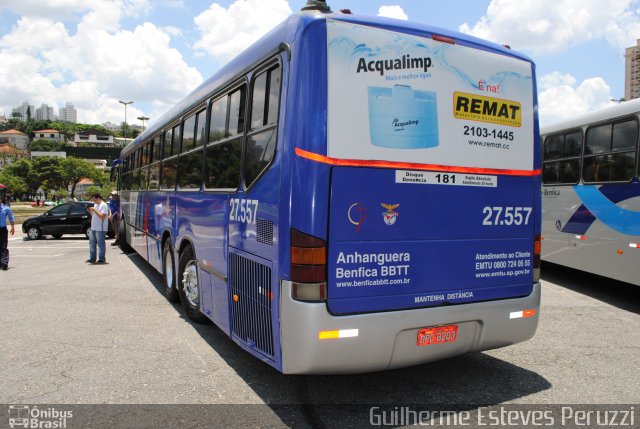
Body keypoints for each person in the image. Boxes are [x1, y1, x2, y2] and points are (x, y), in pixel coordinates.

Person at [86, 193, 109, 264]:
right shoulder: (96, 205)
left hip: (100, 228)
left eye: (94, 199)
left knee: (100, 244)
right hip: (94, 227)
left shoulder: (104, 205)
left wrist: (94, 210)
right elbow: (94, 215)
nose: (93, 201)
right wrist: (90, 211)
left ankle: (102, 259)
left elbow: (102, 216)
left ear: (98, 198)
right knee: (92, 243)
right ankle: (92, 258)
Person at [0, 197, 15, 271]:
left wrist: (13, 228)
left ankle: (4, 263)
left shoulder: (6, 208)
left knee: (3, 246)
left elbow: (11, 218)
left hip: (2, 229)